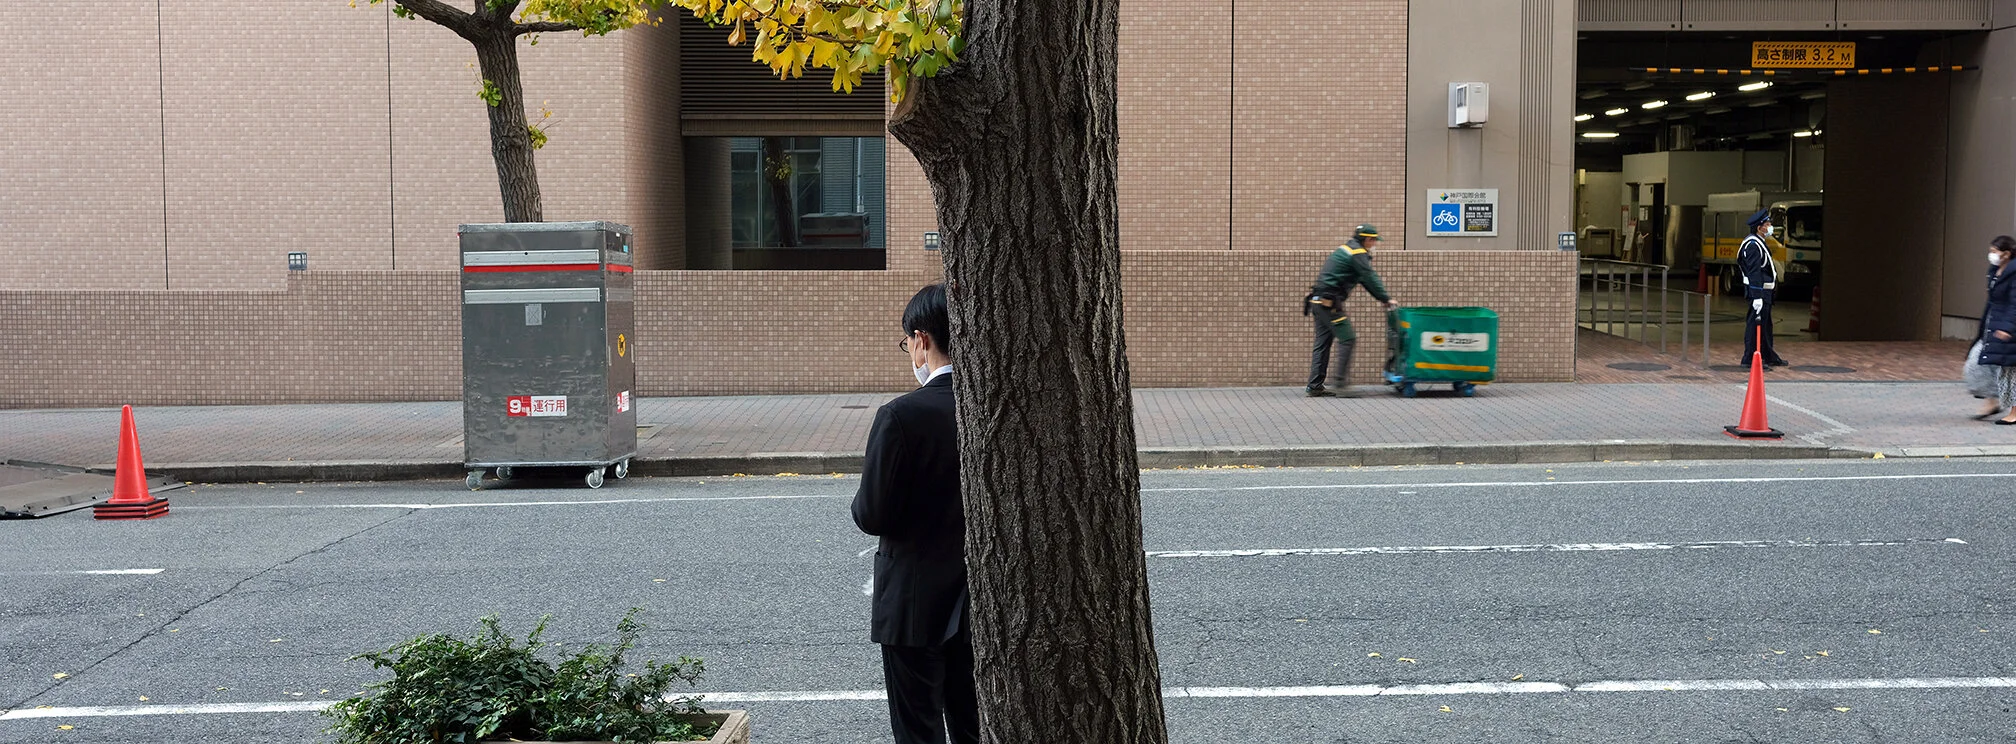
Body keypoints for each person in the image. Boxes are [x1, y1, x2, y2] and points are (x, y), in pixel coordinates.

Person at [851, 284, 978, 744]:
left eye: (909, 343)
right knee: (975, 723)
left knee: (918, 731)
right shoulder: (995, 409)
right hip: (979, 600)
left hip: (912, 602)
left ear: (922, 340)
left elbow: (872, 514)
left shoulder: (902, 415)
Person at [1306, 224, 1400, 398]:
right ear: (1367, 239)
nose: (1374, 244)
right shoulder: (1357, 253)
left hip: (1317, 301)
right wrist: (1386, 299)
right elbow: (1369, 277)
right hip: (1329, 304)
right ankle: (1340, 383)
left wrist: (1382, 298)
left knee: (1323, 343)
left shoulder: (1347, 249)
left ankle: (1314, 386)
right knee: (1348, 338)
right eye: (1373, 241)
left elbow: (1364, 279)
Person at [1737, 209, 1790, 369]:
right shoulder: (1752, 246)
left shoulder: (1759, 242)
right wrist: (1757, 296)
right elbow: (1754, 273)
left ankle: (1768, 356)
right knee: (1755, 326)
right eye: (1768, 224)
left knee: (1766, 326)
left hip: (1765, 292)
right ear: (1760, 228)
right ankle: (1750, 358)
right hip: (1758, 293)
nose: (1770, 227)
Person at [1976, 236, 2016, 425]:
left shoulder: (2013, 272)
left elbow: (2014, 304)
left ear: (2006, 254)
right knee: (2005, 372)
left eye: (1995, 251)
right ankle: (2011, 411)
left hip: (2010, 328)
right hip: (1999, 325)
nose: (1991, 255)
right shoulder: (1995, 272)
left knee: (2013, 372)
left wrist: (2007, 327)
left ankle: (2014, 414)